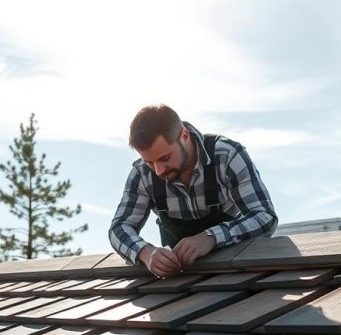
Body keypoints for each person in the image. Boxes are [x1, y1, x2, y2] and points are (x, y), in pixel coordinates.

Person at [108, 104, 278, 277]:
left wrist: (211, 237)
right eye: (149, 163)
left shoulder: (227, 156)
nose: (159, 170)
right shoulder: (142, 175)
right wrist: (145, 253)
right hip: (182, 281)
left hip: (238, 273)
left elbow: (265, 217)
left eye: (165, 158)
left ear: (185, 135)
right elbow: (118, 228)